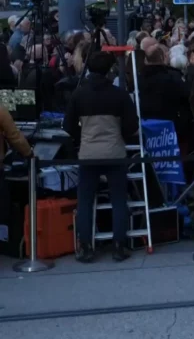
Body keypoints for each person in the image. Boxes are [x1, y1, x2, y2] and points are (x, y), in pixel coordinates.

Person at [64, 52, 139, 263]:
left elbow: (67, 125)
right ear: (109, 70)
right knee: (118, 199)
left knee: (85, 200)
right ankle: (119, 245)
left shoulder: (79, 94)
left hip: (88, 152)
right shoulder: (119, 94)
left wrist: (83, 137)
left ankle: (86, 246)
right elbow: (132, 125)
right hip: (115, 150)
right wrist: (119, 135)